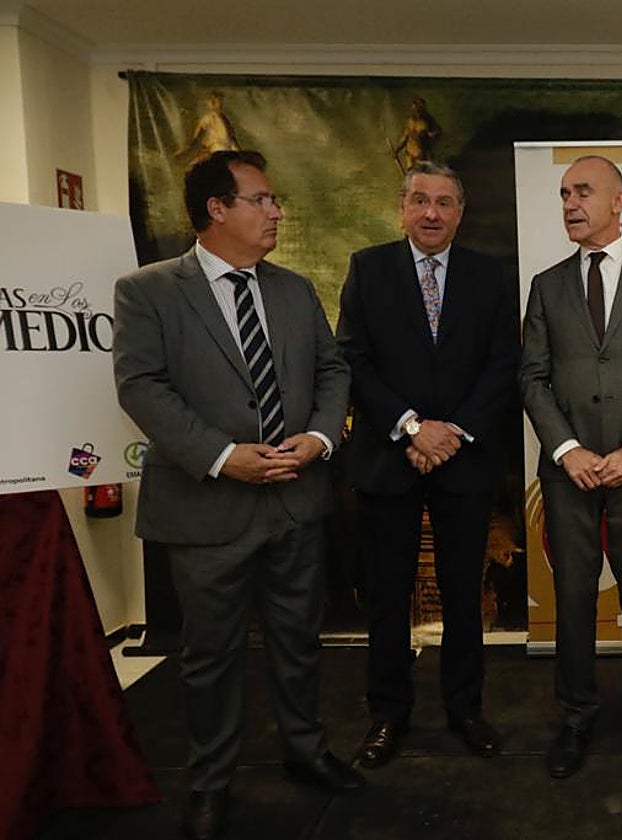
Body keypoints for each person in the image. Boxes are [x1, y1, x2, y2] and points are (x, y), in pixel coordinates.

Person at [112, 150, 359, 840]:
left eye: (274, 200)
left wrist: (318, 439)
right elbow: (141, 387)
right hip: (205, 509)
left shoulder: (294, 289)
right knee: (211, 656)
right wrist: (222, 457)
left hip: (295, 501)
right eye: (261, 199)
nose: (276, 211)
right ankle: (211, 782)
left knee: (299, 642)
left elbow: (332, 369)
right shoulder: (149, 290)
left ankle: (306, 753)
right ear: (216, 209)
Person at [336, 161, 520, 766]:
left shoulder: (489, 275)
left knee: (462, 591)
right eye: (420, 200)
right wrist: (413, 427)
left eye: (444, 203)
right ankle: (388, 715)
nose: (432, 213)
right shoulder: (368, 269)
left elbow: (502, 365)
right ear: (403, 207)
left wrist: (452, 433)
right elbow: (353, 361)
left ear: (460, 213)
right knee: (388, 595)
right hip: (390, 457)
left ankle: (466, 710)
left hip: (464, 460)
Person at [520, 154, 622, 779]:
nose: (570, 202)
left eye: (583, 191)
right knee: (572, 599)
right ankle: (575, 715)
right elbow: (532, 379)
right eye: (564, 192)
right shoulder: (546, 283)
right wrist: (569, 451)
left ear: (621, 201)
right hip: (570, 472)